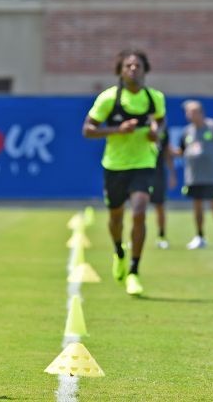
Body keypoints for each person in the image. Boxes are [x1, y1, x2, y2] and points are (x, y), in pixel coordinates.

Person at [82, 49, 166, 296]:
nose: (132, 69)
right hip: (115, 165)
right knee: (116, 217)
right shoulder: (109, 98)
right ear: (120, 70)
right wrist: (118, 130)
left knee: (139, 211)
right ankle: (119, 251)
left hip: (143, 163)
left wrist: (155, 132)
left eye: (137, 65)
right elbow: (87, 130)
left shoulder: (155, 98)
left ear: (145, 70)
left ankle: (134, 270)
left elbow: (160, 121)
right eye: (128, 66)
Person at [178, 100, 213, 250]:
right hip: (194, 177)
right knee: (197, 206)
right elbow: (182, 151)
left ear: (201, 112)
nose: (189, 115)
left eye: (193, 111)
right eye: (188, 112)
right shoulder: (186, 132)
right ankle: (200, 236)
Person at [151, 128, 177, 249]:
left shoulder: (163, 130)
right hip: (140, 172)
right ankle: (133, 237)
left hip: (158, 174)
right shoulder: (138, 123)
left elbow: (167, 153)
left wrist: (172, 174)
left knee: (160, 206)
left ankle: (161, 236)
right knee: (137, 205)